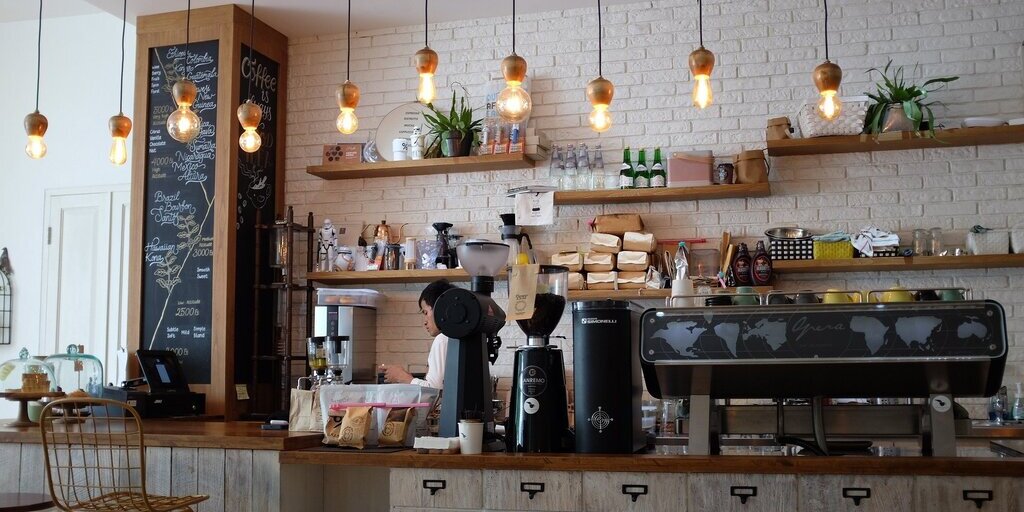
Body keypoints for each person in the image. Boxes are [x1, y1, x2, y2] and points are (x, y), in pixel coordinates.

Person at [380, 279, 454, 389]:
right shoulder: (457, 338)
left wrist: (403, 377)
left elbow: (434, 391)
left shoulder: (442, 339)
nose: (424, 321)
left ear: (440, 309)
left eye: (426, 312)